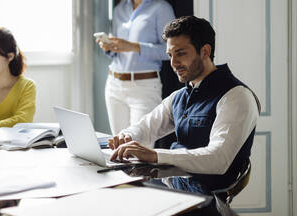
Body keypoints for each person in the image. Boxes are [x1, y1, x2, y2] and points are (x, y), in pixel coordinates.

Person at [108, 16, 259, 192]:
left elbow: (218, 159)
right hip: (174, 186)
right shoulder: (179, 96)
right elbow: (146, 127)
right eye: (170, 55)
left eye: (180, 54)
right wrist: (127, 136)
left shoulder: (236, 96)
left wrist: (155, 155)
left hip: (204, 199)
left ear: (205, 51)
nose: (173, 63)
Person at [96, 0, 175, 135]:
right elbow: (119, 51)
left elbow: (170, 51)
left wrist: (133, 47)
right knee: (119, 149)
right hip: (114, 86)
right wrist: (109, 47)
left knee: (139, 150)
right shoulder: (119, 11)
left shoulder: (161, 9)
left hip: (144, 88)